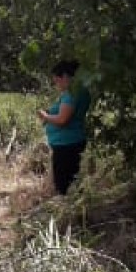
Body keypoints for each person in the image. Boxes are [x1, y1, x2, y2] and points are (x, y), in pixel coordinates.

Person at [38, 59, 91, 195]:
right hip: (72, 142)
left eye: (57, 80)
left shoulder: (71, 94)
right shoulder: (81, 91)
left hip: (66, 145)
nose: (56, 84)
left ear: (66, 77)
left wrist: (45, 116)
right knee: (73, 183)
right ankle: (74, 209)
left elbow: (62, 120)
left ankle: (68, 211)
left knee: (64, 186)